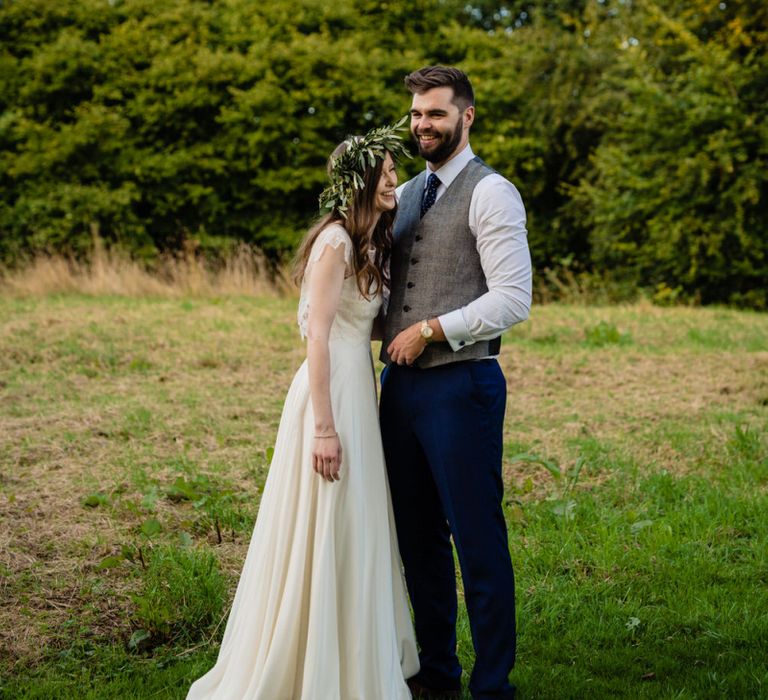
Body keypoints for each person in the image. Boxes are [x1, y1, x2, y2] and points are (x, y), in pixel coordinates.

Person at [187, 120, 419, 700]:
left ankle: (353, 654)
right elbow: (316, 336)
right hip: (329, 398)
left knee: (354, 520)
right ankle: (310, 659)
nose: (396, 178)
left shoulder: (368, 241)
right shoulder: (335, 242)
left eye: (395, 170)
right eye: (387, 171)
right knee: (325, 518)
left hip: (358, 395)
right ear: (359, 181)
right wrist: (323, 429)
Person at [379, 66, 532, 700]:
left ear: (466, 116)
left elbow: (514, 299)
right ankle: (436, 676)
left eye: (436, 114)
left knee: (476, 538)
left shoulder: (492, 192)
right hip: (399, 392)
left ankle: (492, 685)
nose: (423, 125)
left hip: (462, 387)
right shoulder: (407, 192)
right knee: (417, 541)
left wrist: (433, 329)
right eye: (416, 114)